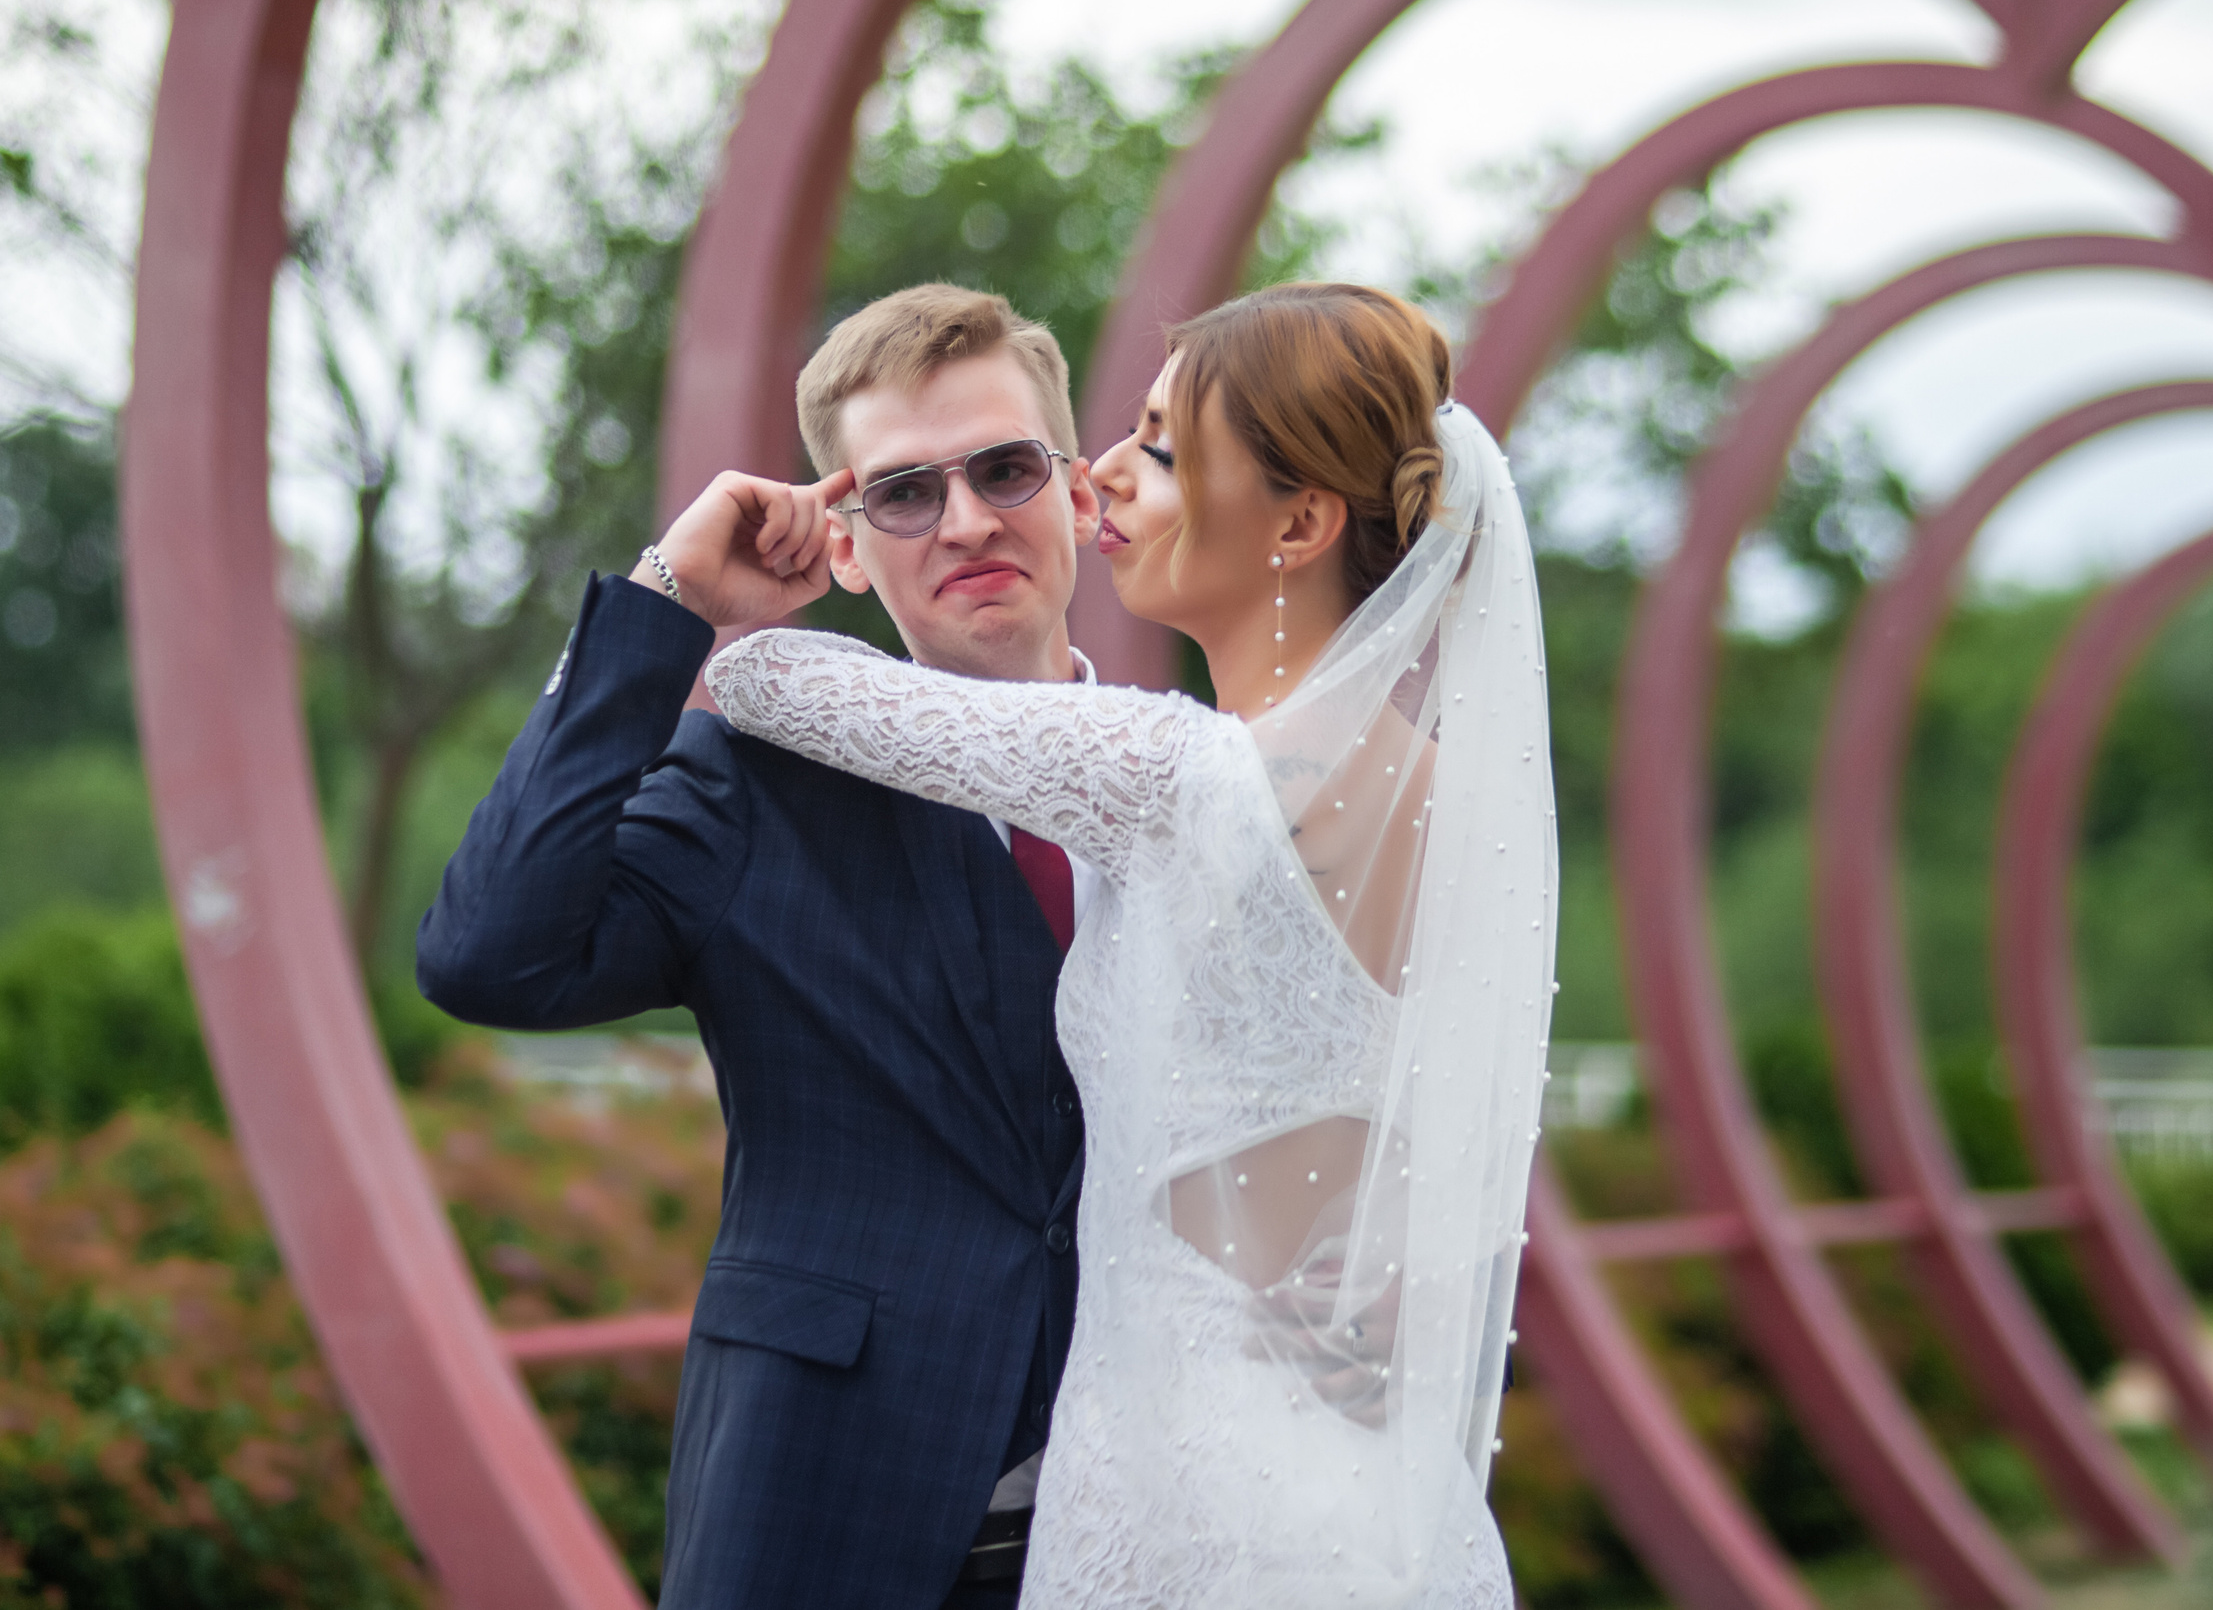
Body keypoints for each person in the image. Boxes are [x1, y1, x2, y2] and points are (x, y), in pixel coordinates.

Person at [700, 282, 1557, 1607]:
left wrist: (799, 539)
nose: (1099, 472)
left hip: (1195, 1499)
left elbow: (768, 677)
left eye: (1159, 448)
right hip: (1364, 1494)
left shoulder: (1176, 778)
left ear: (1298, 522)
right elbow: (1328, 1146)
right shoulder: (1444, 798)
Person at [417, 284, 1111, 1608]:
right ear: (846, 548)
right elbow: (487, 954)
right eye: (904, 492)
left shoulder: (1202, 787)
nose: (964, 520)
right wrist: (669, 601)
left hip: (1146, 1521)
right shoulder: (757, 781)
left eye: (1005, 468)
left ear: (1075, 496)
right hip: (827, 1502)